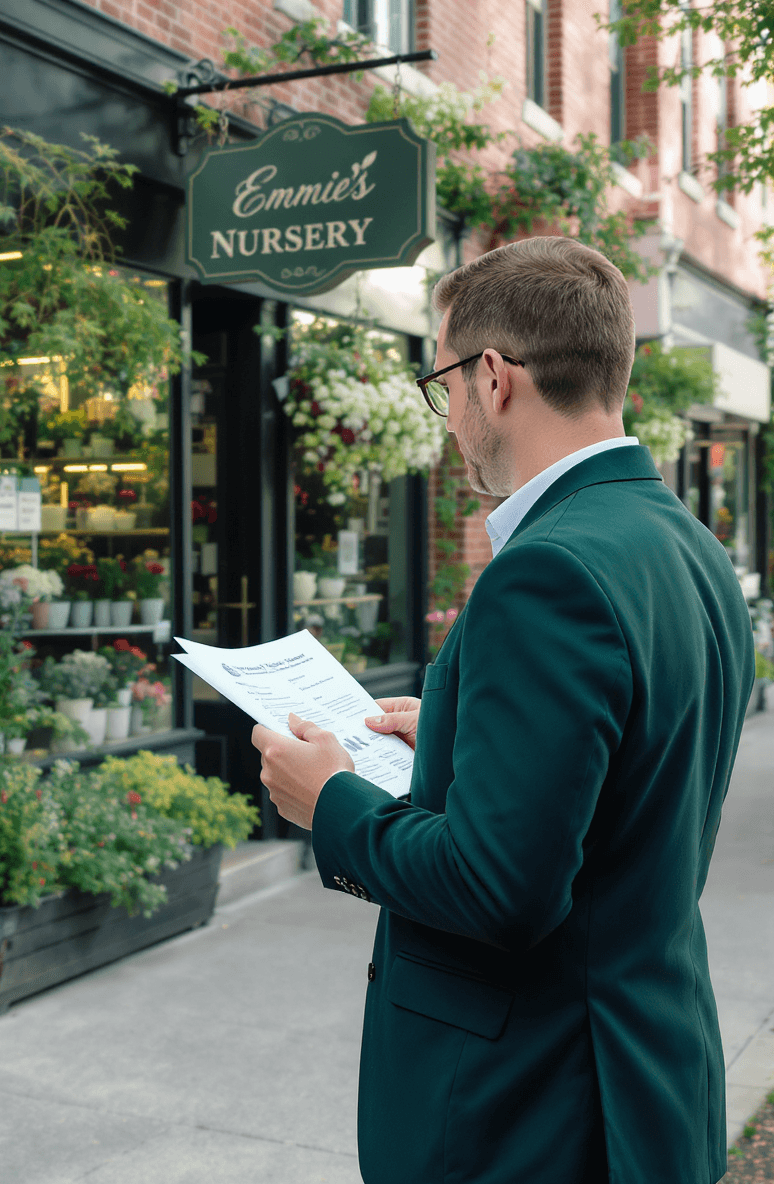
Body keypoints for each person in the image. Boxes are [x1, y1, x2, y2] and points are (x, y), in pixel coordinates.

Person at [251, 236, 755, 1184]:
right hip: (648, 1072)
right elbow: (628, 786)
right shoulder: (689, 545)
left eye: (442, 386)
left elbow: (499, 891)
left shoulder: (546, 570)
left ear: (493, 377)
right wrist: (443, 727)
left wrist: (334, 805)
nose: (449, 420)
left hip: (535, 1107)